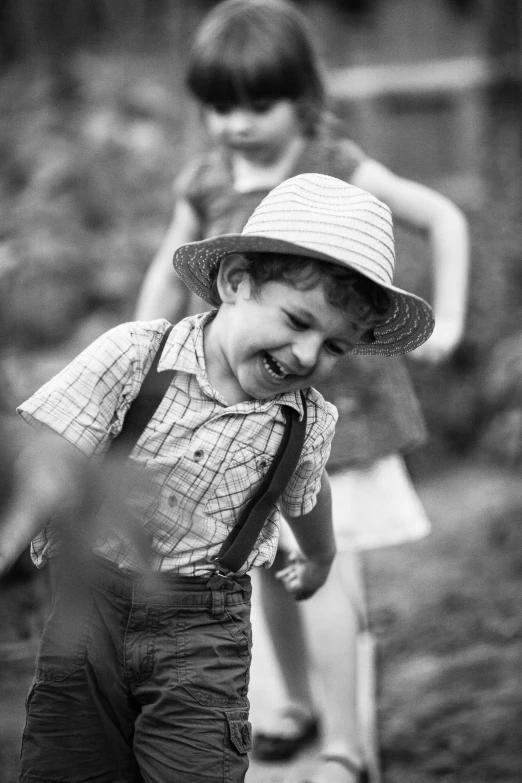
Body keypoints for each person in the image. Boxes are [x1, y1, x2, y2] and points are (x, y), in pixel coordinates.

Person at [0, 174, 434, 783]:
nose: (308, 356)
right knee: (71, 759)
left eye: (336, 346)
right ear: (235, 283)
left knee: (197, 766)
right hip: (89, 606)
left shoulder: (305, 421)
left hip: (203, 629)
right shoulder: (133, 357)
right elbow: (51, 458)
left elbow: (308, 494)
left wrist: (320, 557)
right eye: (296, 320)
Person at [133, 2, 469, 781]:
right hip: (244, 403)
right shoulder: (208, 178)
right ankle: (291, 702)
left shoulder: (332, 157)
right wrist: (143, 346)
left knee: (329, 562)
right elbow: (163, 266)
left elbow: (442, 217)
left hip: (334, 406)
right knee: (260, 558)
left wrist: (446, 319)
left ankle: (346, 742)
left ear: (302, 99)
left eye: (258, 104)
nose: (236, 124)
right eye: (220, 105)